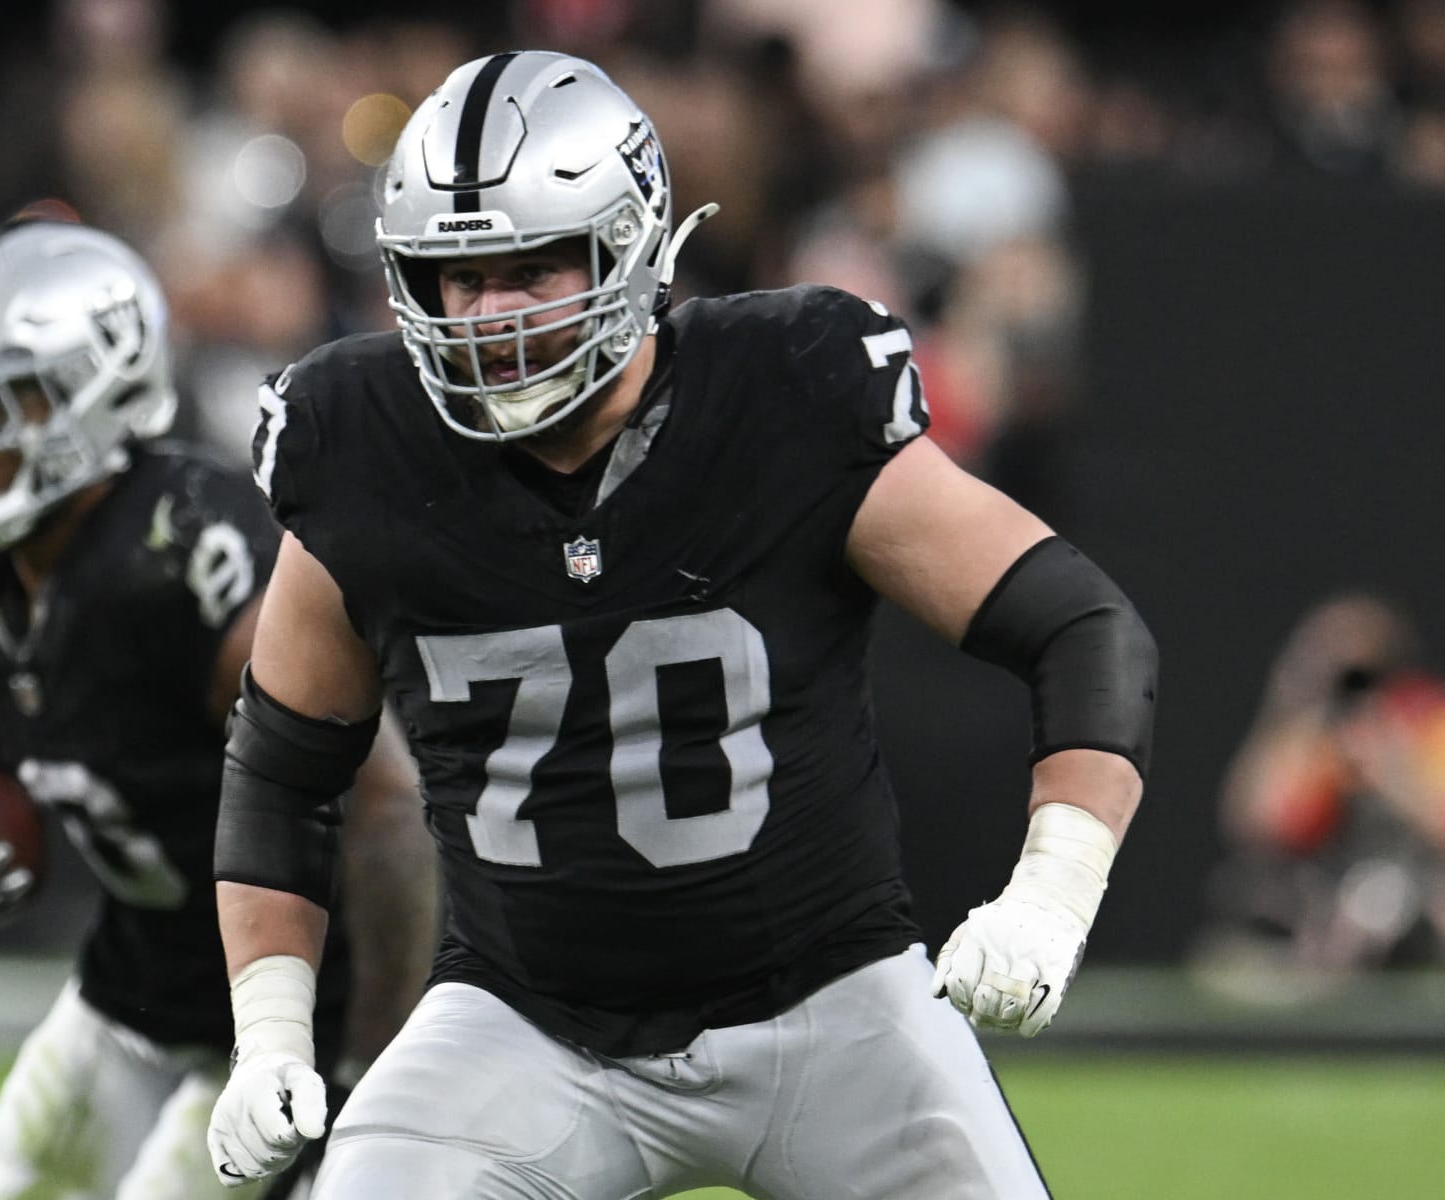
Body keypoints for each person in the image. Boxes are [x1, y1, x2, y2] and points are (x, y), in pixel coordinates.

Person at [206, 51, 1156, 1200]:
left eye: (538, 264)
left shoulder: (786, 390)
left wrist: (1052, 893)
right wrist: (266, 1034)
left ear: (634, 244)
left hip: (833, 1009)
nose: (493, 312)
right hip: (525, 1028)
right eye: (460, 274)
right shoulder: (359, 441)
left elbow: (1083, 626)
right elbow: (283, 766)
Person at [0, 218, 435, 1200]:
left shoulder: (185, 557)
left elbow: (381, 805)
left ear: (95, 391)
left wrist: (373, 1065)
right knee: (21, 1170)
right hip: (137, 978)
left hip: (289, 1005)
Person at [1202, 593, 1445, 975]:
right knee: (1245, 895)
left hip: (1410, 887)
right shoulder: (1311, 731)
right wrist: (1287, 709)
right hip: (1323, 895)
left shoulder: (1427, 720)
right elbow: (1254, 826)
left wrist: (1389, 770)